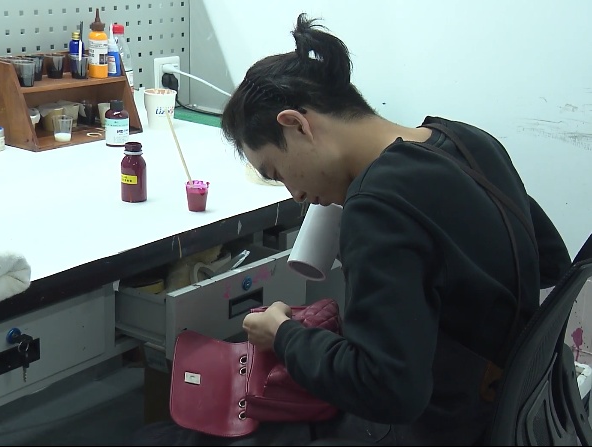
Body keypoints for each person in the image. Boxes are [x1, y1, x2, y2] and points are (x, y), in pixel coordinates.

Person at [130, 12, 571, 446]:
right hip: (497, 403)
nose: (295, 195)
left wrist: (284, 337)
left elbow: (387, 390)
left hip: (433, 424)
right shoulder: (466, 140)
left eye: (278, 172)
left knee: (165, 439)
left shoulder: (378, 204)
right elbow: (552, 262)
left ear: (296, 125)